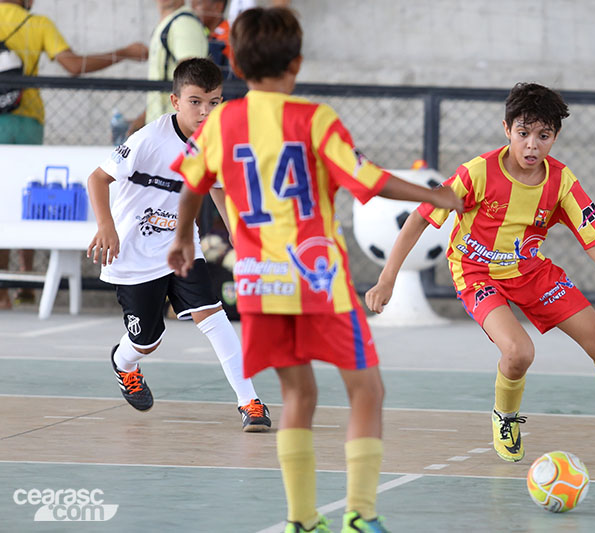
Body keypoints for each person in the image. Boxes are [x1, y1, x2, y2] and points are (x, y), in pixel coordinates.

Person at [167, 8, 462, 533]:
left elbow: (192, 185)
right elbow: (367, 179)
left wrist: (181, 240)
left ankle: (301, 520)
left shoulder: (223, 122)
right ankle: (361, 515)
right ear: (296, 62)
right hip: (318, 279)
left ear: (232, 59)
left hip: (260, 283)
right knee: (366, 391)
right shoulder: (313, 119)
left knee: (298, 395)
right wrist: (434, 195)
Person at [367, 81, 595, 472]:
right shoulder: (477, 173)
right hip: (477, 273)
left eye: (543, 135)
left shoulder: (562, 182)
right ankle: (505, 417)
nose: (532, 144)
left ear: (555, 136)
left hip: (531, 272)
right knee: (519, 353)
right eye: (523, 133)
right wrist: (387, 278)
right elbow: (419, 217)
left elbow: (594, 242)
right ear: (507, 129)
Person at [86, 57, 271, 433]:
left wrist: (239, 232)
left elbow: (218, 188)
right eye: (195, 101)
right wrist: (106, 225)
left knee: (213, 315)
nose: (205, 111)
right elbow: (96, 178)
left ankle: (249, 401)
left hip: (182, 245)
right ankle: (125, 364)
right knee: (147, 342)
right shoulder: (148, 141)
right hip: (135, 255)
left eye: (214, 102)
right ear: (175, 101)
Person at [0, 0, 147, 309]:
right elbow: (72, 66)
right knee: (25, 196)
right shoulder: (36, 24)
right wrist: (123, 53)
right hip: (26, 119)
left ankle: (2, 289)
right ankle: (25, 275)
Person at [127, 0, 208, 136]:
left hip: (176, 133)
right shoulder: (170, 23)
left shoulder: (184, 24)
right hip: (166, 130)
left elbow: (195, 83)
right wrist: (145, 118)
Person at [191, 0, 236, 79]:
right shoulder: (207, 34)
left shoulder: (229, 36)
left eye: (198, 4)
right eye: (192, 5)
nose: (193, 10)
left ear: (218, 6)